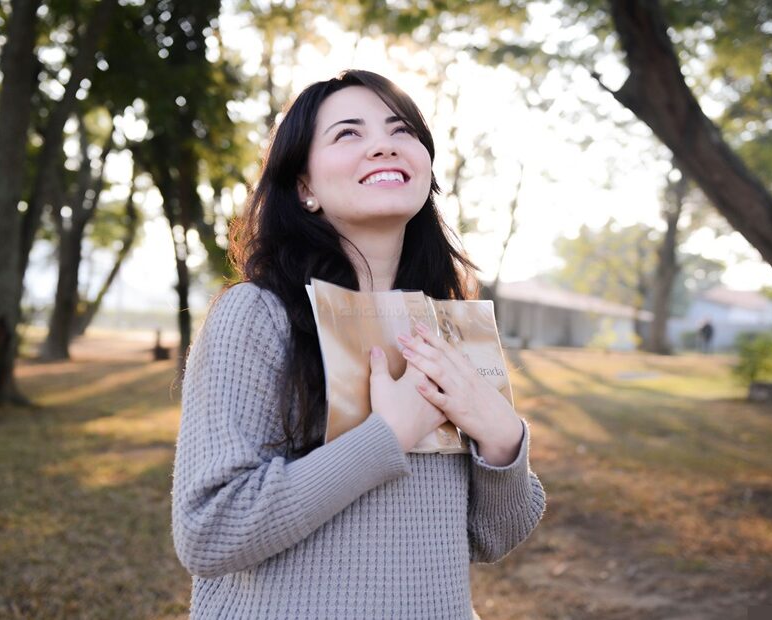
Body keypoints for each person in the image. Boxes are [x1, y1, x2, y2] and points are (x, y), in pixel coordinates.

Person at [171, 69, 546, 619]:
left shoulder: (448, 326)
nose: (381, 145)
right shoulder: (257, 314)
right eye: (348, 133)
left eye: (400, 130)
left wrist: (503, 439)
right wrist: (386, 437)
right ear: (304, 188)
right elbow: (208, 532)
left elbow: (493, 536)